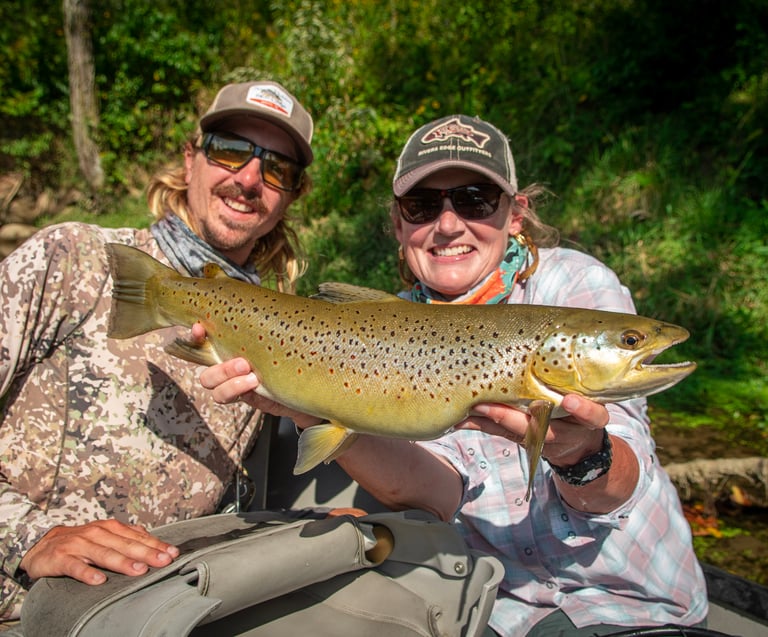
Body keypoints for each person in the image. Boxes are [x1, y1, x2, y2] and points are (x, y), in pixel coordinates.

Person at [200, 114, 709, 636]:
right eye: (422, 206)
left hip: (634, 605)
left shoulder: (576, 284)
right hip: (495, 610)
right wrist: (305, 409)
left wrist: (581, 452)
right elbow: (438, 494)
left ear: (515, 214)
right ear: (399, 224)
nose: (447, 225)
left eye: (474, 200)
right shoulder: (388, 331)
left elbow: (621, 487)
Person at [0, 79, 314, 629]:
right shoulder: (72, 258)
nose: (248, 179)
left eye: (276, 169)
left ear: (291, 195)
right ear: (191, 159)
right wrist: (31, 536)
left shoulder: (283, 333)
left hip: (155, 618)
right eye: (230, 150)